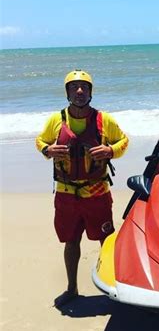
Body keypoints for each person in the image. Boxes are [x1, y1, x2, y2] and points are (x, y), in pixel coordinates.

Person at [36, 70, 129, 308]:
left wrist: (110, 151)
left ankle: (115, 286)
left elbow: (123, 141)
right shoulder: (56, 120)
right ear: (67, 92)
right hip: (66, 194)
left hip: (97, 191)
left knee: (106, 241)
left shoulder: (104, 119)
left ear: (90, 92)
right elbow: (40, 141)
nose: (79, 91)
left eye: (84, 87)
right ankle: (72, 288)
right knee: (71, 241)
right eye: (74, 87)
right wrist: (48, 150)